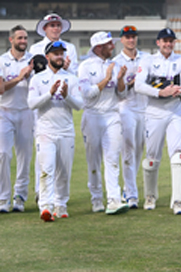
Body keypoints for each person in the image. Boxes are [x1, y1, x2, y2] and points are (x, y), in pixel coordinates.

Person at [135, 28, 181, 215]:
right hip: (154, 113)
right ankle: (151, 195)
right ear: (158, 42)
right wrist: (161, 91)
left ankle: (178, 201)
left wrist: (174, 89)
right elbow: (139, 85)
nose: (168, 44)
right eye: (165, 41)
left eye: (171, 41)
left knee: (179, 155)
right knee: (151, 158)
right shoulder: (147, 61)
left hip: (176, 112)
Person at [28, 41, 83, 222]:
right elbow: (31, 104)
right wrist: (49, 94)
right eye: (55, 54)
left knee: (64, 172)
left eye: (61, 54)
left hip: (66, 131)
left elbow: (79, 105)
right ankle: (46, 206)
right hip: (45, 131)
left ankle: (61, 204)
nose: (59, 57)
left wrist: (67, 96)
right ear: (47, 57)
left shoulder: (72, 78)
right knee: (47, 169)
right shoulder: (38, 79)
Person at [78, 31, 129, 215]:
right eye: (109, 44)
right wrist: (106, 79)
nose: (113, 46)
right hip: (92, 116)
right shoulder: (85, 66)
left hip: (112, 116)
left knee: (113, 158)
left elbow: (122, 95)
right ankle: (96, 198)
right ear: (99, 47)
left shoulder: (114, 65)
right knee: (93, 160)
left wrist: (120, 79)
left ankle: (114, 199)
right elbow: (86, 94)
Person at [112, 25, 149, 209]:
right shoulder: (117, 62)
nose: (131, 40)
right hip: (126, 108)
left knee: (139, 151)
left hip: (145, 108)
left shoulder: (146, 59)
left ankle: (129, 187)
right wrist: (131, 81)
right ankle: (131, 195)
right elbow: (119, 93)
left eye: (133, 36)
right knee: (128, 150)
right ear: (122, 40)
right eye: (127, 37)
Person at [0, 25, 34, 213]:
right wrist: (20, 78)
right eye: (19, 38)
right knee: (3, 154)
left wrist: (30, 77)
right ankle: (3, 198)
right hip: (4, 111)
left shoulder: (34, 60)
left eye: (25, 38)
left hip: (26, 111)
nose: (23, 41)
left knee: (24, 156)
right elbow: (1, 89)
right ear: (11, 40)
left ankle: (19, 196)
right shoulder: (2, 61)